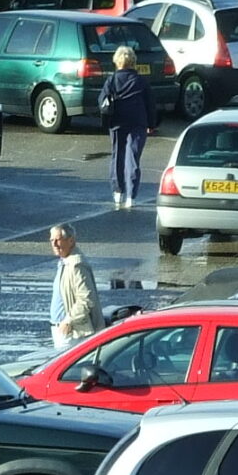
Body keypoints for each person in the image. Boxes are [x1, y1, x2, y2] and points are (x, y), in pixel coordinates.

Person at [100, 51, 154, 210]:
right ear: (133, 62)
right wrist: (151, 124)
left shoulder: (112, 80)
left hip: (117, 122)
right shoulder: (141, 81)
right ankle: (131, 195)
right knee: (133, 158)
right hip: (138, 123)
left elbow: (101, 101)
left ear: (117, 62)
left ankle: (118, 191)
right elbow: (150, 105)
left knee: (117, 156)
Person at [47, 224, 104, 348]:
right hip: (62, 329)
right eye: (52, 240)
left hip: (73, 332)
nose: (54, 244)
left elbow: (86, 299)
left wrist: (68, 321)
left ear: (71, 240)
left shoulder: (76, 265)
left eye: (58, 240)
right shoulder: (64, 261)